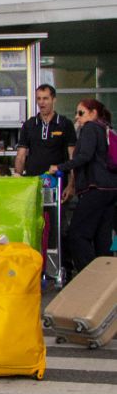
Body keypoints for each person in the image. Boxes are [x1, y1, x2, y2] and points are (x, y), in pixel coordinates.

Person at [50, 98, 117, 275]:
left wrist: (60, 167)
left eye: (81, 113)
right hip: (110, 190)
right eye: (76, 113)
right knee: (102, 237)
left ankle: (89, 276)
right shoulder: (105, 128)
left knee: (78, 234)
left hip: (95, 188)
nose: (77, 117)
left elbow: (85, 156)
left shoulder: (90, 128)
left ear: (93, 113)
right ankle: (107, 280)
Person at [17, 84, 76, 187]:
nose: (41, 102)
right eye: (38, 98)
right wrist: (18, 178)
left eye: (45, 98)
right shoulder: (29, 125)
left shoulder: (65, 124)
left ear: (54, 100)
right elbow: (21, 156)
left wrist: (71, 185)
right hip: (33, 183)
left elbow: (72, 156)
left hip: (58, 182)